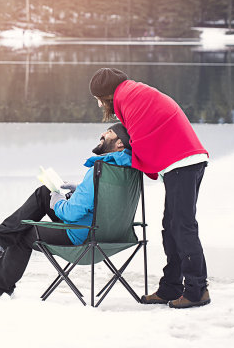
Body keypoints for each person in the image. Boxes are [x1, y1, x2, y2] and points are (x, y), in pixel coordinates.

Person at [0, 123, 132, 298]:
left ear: (120, 143)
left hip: (81, 235)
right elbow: (106, 201)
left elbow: (71, 214)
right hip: (109, 234)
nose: (103, 134)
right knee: (45, 192)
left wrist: (58, 202)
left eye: (109, 132)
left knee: (24, 231)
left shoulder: (99, 170)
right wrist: (80, 189)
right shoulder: (126, 171)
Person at [89, 68, 210, 309]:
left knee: (183, 226)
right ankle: (171, 287)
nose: (101, 105)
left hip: (183, 162)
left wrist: (127, 160)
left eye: (99, 100)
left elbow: (139, 140)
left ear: (106, 96)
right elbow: (144, 135)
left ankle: (197, 290)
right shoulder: (132, 93)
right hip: (181, 162)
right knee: (171, 227)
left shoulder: (130, 98)